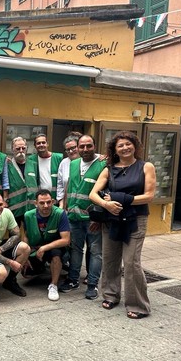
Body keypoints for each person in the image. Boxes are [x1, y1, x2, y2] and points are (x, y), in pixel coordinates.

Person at [90, 131, 155, 319]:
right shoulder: (109, 168)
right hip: (112, 219)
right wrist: (106, 204)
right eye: (120, 145)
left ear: (135, 145)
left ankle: (138, 305)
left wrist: (119, 199)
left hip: (135, 219)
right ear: (115, 150)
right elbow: (93, 193)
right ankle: (110, 295)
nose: (125, 148)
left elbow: (149, 196)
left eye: (128, 144)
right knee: (110, 259)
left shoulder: (146, 166)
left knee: (131, 262)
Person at [59, 135, 106, 300]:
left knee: (95, 252)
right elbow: (68, 188)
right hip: (73, 217)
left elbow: (106, 193)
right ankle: (73, 280)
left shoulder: (103, 164)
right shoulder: (73, 164)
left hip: (93, 219)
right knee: (75, 249)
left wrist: (98, 218)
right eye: (82, 146)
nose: (85, 149)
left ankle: (92, 284)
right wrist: (64, 209)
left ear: (95, 146)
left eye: (89, 146)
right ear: (78, 148)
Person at [23, 189, 70, 301]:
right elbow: (25, 236)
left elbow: (66, 240)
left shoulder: (60, 214)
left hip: (54, 247)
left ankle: (53, 285)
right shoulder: (28, 215)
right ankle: (43, 267)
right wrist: (25, 256)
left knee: (56, 255)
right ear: (35, 203)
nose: (46, 205)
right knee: (26, 274)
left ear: (53, 201)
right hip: (36, 248)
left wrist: (45, 247)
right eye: (42, 203)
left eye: (49, 202)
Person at [25, 133, 63, 210]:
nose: (41, 145)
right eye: (38, 143)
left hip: (55, 201)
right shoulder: (31, 159)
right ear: (35, 146)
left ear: (47, 144)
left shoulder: (58, 158)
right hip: (40, 202)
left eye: (43, 142)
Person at [7, 136, 28, 226]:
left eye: (23, 148)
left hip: (29, 208)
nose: (21, 150)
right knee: (15, 236)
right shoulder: (7, 165)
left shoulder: (33, 164)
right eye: (17, 148)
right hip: (14, 208)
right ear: (12, 150)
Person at [56, 132, 82, 207]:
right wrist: (61, 206)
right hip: (68, 206)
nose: (71, 151)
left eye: (73, 148)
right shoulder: (64, 163)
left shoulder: (87, 161)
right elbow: (60, 186)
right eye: (68, 149)